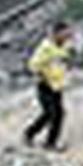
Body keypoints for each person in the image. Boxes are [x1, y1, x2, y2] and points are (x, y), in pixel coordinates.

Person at [23, 21, 71, 149]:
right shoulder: (46, 47)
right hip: (45, 85)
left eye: (67, 33)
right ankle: (33, 135)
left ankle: (47, 141)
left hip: (57, 86)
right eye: (64, 33)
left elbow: (62, 64)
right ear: (56, 33)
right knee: (52, 113)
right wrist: (41, 76)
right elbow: (33, 65)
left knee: (57, 114)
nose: (67, 36)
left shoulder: (64, 47)